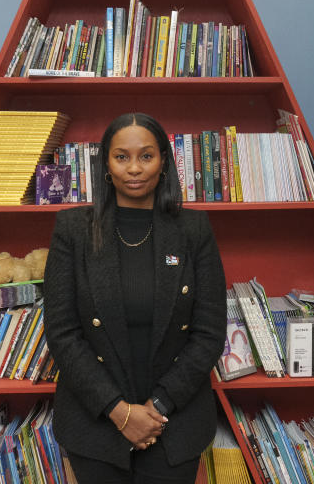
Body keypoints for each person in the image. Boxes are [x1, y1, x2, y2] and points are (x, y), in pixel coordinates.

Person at [44, 112, 227, 483]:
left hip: (175, 420)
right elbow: (62, 333)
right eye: (121, 157)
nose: (134, 168)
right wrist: (120, 412)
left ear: (163, 162)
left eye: (146, 156)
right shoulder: (73, 229)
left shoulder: (193, 229)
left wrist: (155, 409)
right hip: (96, 422)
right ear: (106, 166)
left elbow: (209, 332)